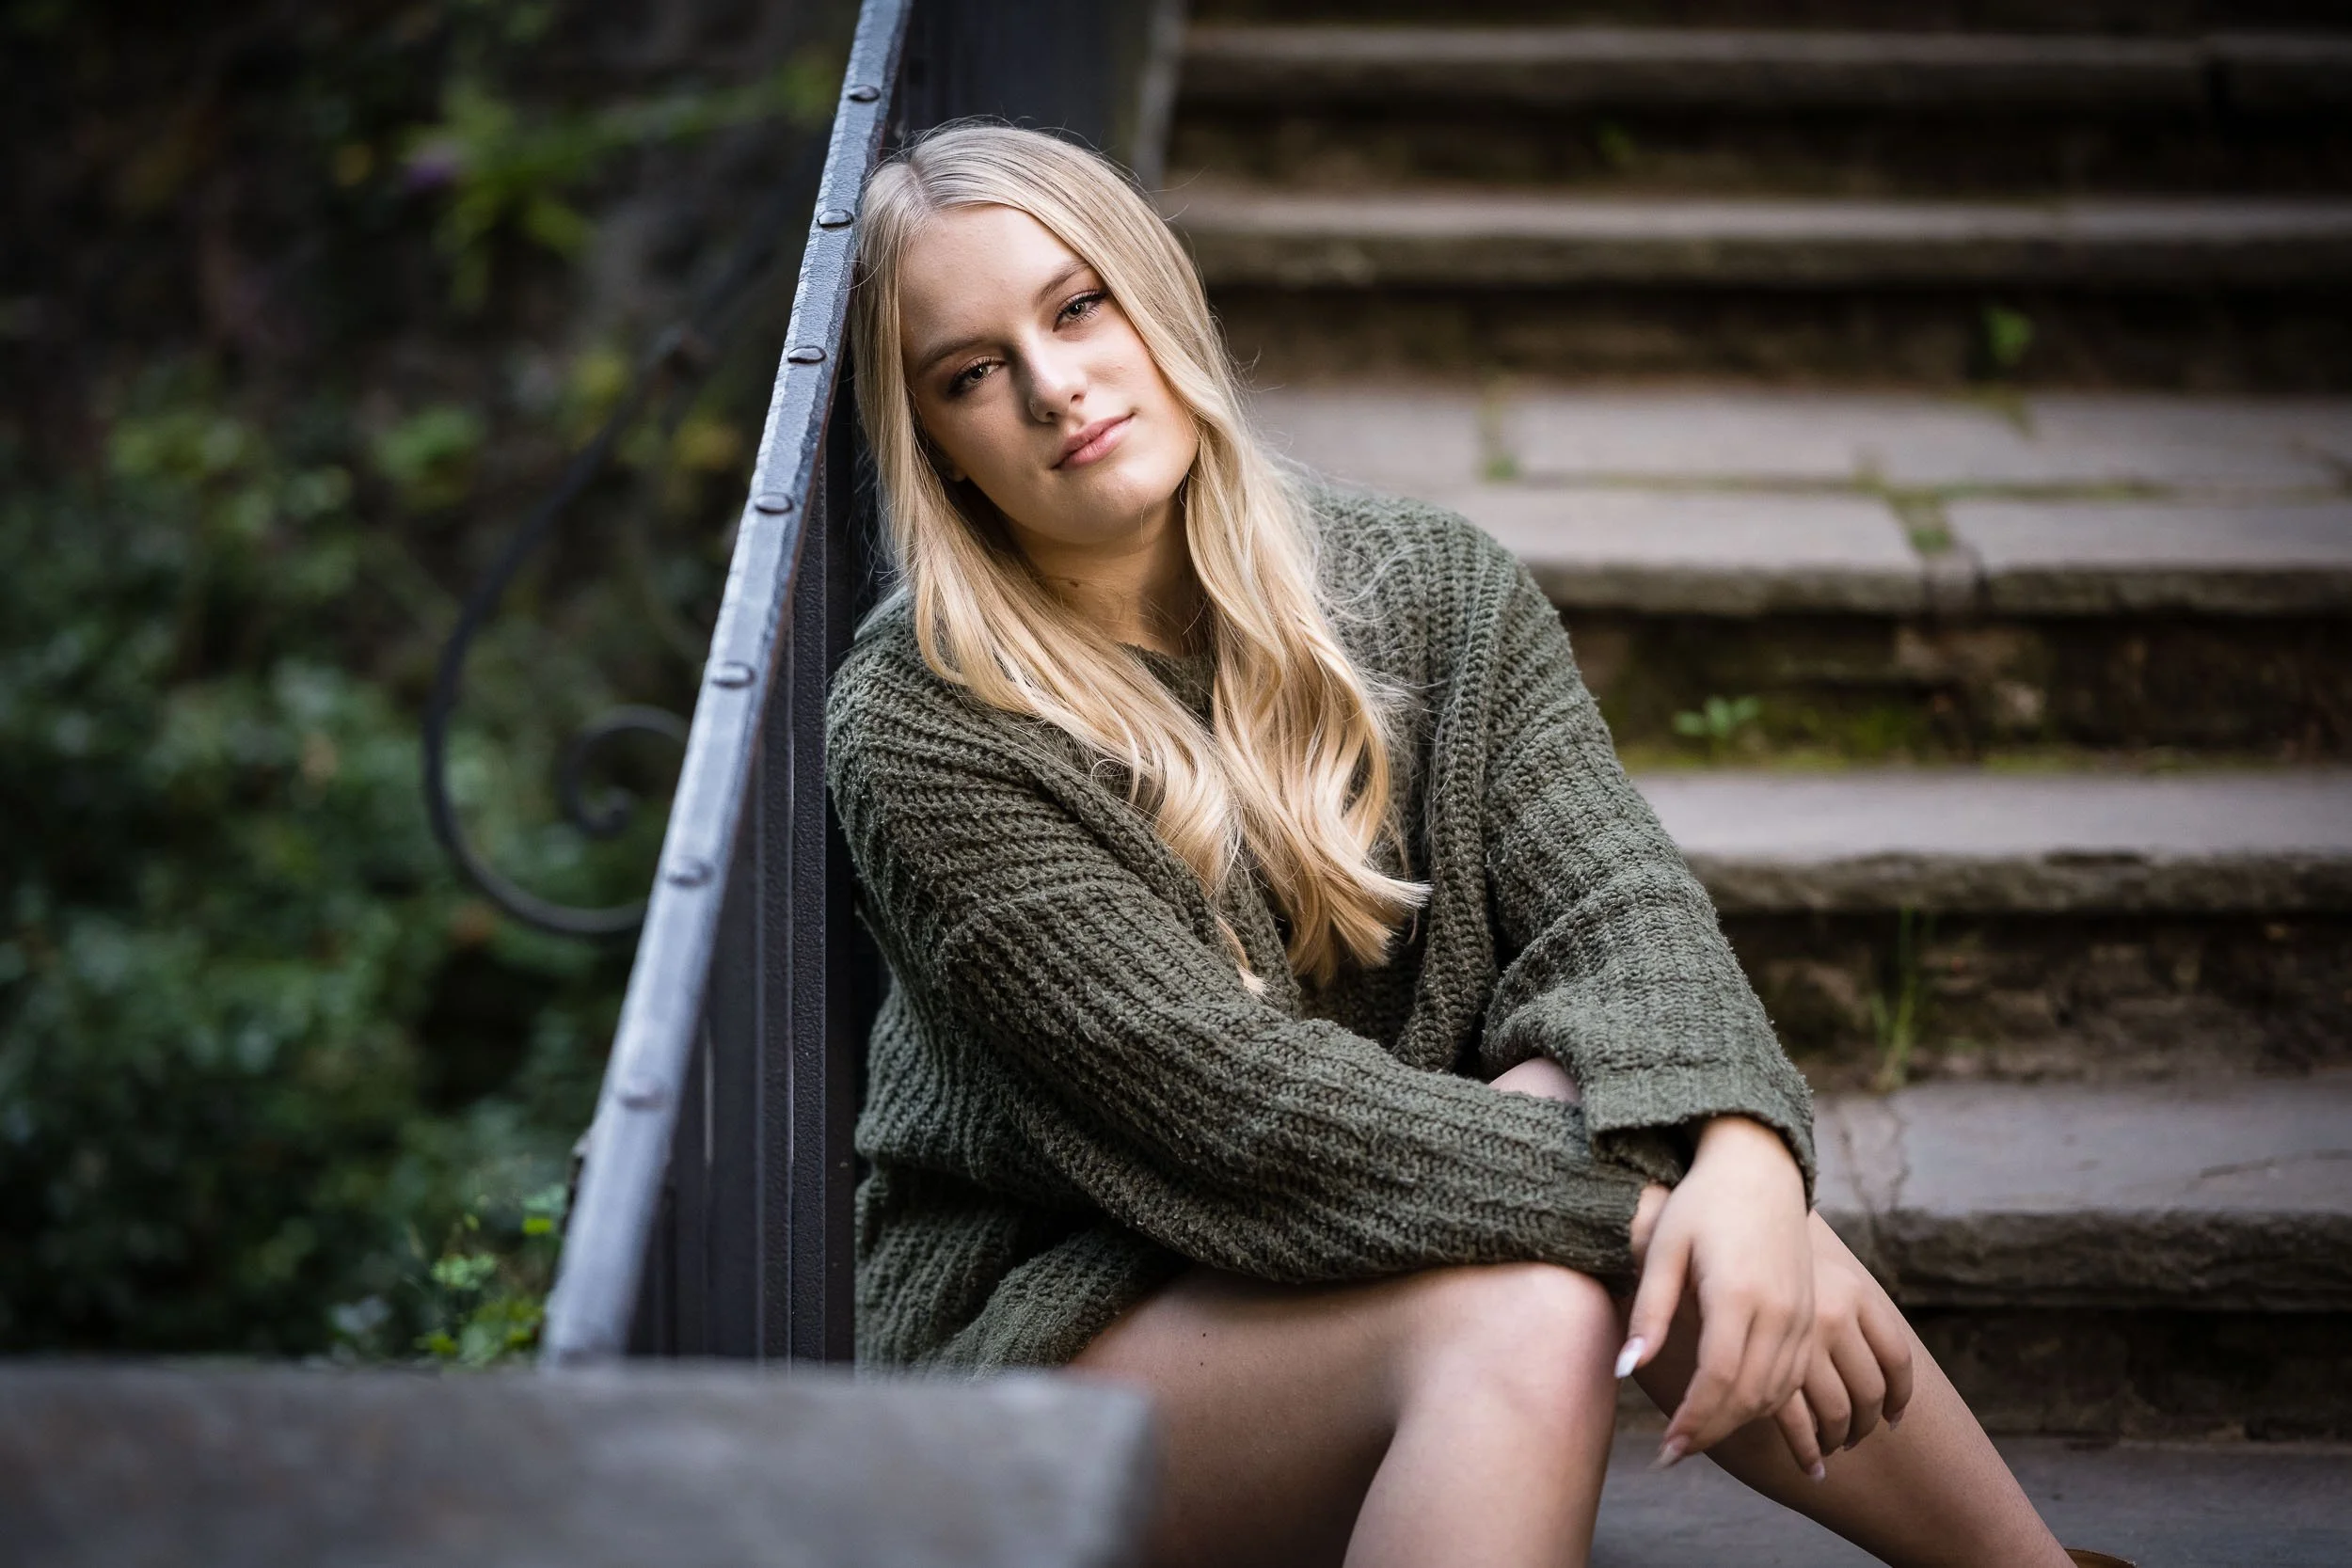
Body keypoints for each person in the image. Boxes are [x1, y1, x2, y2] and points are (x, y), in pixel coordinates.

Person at [826, 120, 2097, 1568]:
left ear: (1157, 296)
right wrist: (1659, 1211)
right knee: (1540, 1298)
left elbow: (1619, 910)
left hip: (1348, 1274)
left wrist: (1747, 1156)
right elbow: (1236, 1116)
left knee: (1616, 1100)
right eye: (972, 374)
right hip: (1048, 1359)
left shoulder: (1427, 582)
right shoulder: (924, 725)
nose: (1054, 386)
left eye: (1077, 307)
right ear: (934, 445)